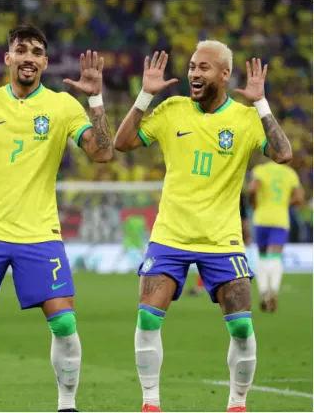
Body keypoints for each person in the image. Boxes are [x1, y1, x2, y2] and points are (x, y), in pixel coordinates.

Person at [0, 26, 114, 412]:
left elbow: (102, 153)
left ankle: (66, 405)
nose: (29, 56)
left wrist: (95, 99)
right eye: (21, 50)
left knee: (63, 322)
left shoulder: (62, 106)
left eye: (37, 51)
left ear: (45, 62)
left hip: (39, 231)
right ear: (8, 58)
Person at [114, 41, 293, 412]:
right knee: (148, 317)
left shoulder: (244, 119)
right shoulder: (173, 108)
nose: (195, 73)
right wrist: (145, 96)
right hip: (170, 236)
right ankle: (150, 404)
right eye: (193, 66)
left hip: (222, 240)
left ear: (224, 75)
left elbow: (283, 154)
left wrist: (261, 104)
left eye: (204, 68)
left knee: (242, 328)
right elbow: (122, 143)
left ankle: (237, 404)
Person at [248, 160, 304, 312]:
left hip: (261, 218)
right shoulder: (290, 173)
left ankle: (263, 291)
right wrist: (285, 203)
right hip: (280, 219)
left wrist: (254, 205)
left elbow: (252, 189)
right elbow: (299, 198)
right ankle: (273, 290)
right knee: (276, 256)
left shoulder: (260, 169)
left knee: (262, 256)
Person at [190, 195, 252, 295]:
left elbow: (244, 218)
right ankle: (202, 286)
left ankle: (230, 286)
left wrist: (247, 235)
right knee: (206, 259)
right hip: (217, 233)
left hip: (231, 237)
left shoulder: (238, 196)